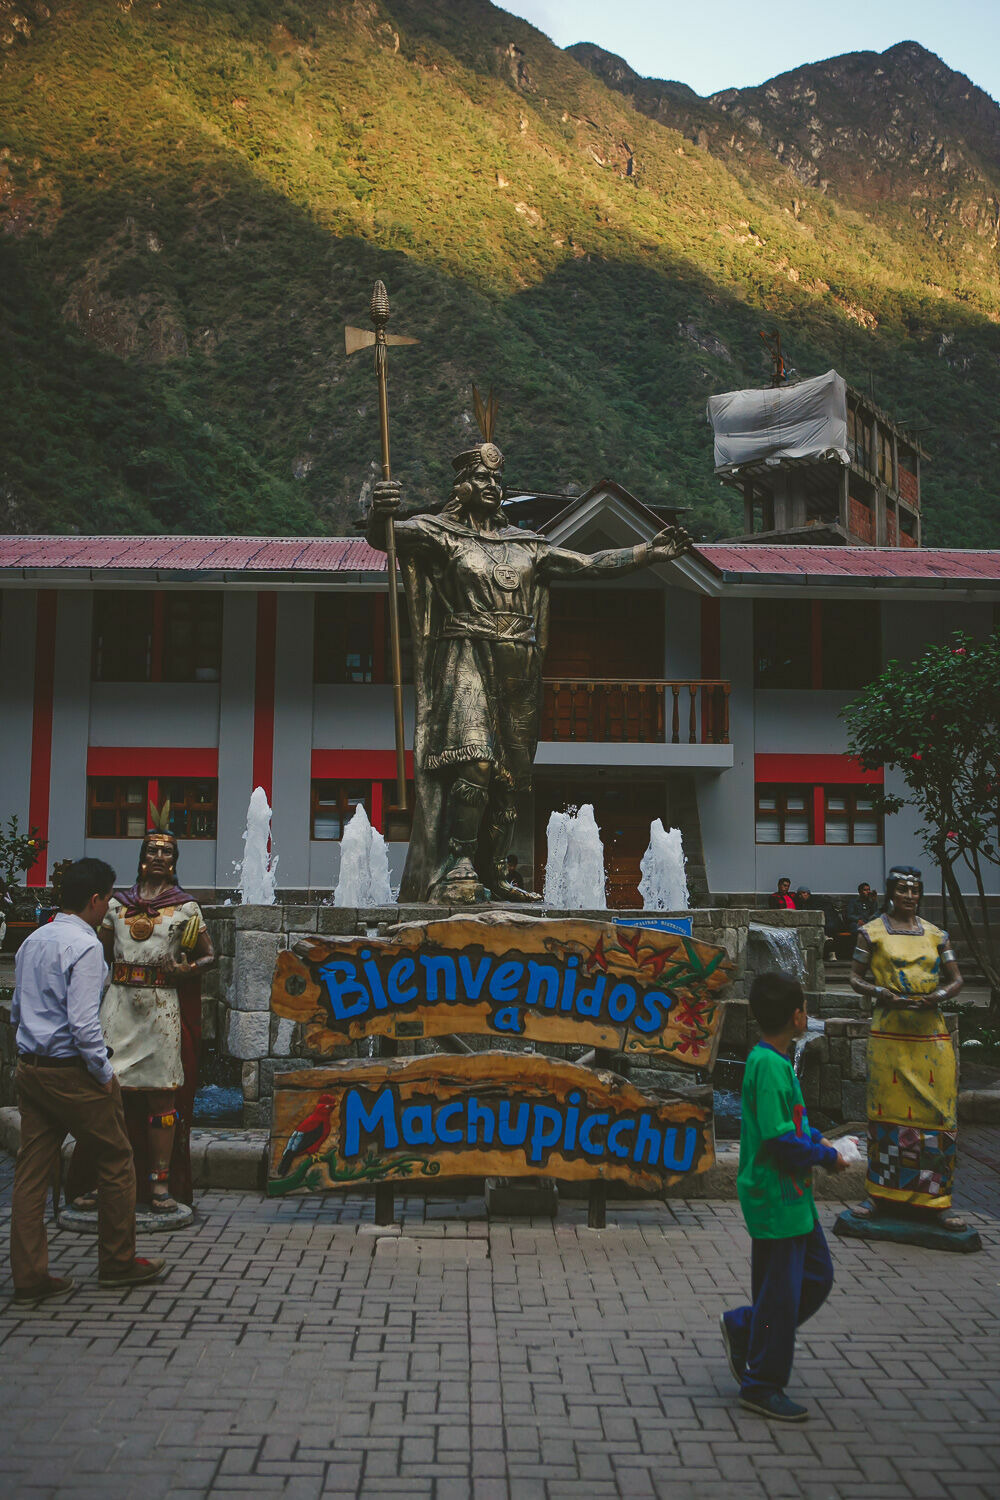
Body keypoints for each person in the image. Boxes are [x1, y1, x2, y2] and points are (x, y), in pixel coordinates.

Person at [367, 439, 691, 903]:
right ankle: (459, 862)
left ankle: (494, 872)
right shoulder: (442, 534)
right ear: (461, 486)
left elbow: (590, 563)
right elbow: (390, 537)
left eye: (498, 479)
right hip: (466, 654)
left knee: (510, 778)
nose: (492, 485)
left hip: (518, 665)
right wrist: (380, 512)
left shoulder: (529, 546)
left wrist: (647, 554)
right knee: (475, 760)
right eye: (482, 477)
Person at [9, 857, 165, 1304]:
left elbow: (19, 1009)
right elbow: (83, 1024)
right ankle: (118, 1261)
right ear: (95, 899)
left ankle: (29, 1274)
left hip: (31, 1067)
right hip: (72, 1072)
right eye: (108, 899)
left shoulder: (33, 941)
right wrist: (102, 1075)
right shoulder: (85, 947)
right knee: (117, 1161)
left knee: (31, 1174)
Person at [720, 971, 847, 1421]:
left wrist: (818, 1139)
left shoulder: (772, 1059)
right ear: (796, 1017)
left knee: (816, 1277)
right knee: (779, 1294)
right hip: (776, 1197)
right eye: (805, 1010)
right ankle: (762, 1382)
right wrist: (823, 1157)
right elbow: (778, 1140)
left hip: (793, 1199)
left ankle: (746, 1327)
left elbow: (791, 1124)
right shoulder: (769, 1066)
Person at [69, 827, 214, 1214]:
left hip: (161, 1006)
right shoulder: (117, 906)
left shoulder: (186, 908)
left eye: (168, 853)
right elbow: (95, 954)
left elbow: (208, 956)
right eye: (153, 850)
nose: (160, 858)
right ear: (141, 856)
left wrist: (187, 970)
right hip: (118, 1006)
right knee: (107, 1096)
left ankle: (160, 1186)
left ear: (175, 862)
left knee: (162, 1096)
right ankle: (105, 1180)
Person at [848, 865, 966, 1230]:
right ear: (890, 893)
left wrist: (939, 996)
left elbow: (957, 979)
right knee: (885, 1113)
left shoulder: (936, 936)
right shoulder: (871, 933)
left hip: (930, 1034)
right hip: (890, 1034)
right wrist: (878, 992)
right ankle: (880, 1195)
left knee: (939, 1115)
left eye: (914, 890)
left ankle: (937, 1199)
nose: (909, 897)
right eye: (902, 890)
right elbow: (854, 977)